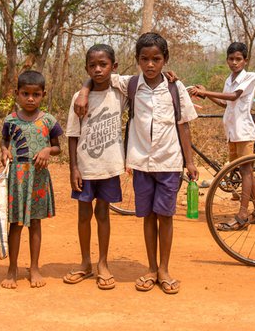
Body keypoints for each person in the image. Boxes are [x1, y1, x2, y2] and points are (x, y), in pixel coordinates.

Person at [74, 32, 198, 295]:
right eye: (145, 59)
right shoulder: (130, 84)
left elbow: (184, 125)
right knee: (148, 216)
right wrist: (84, 91)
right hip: (141, 163)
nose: (150, 64)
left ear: (165, 60)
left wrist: (190, 161)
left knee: (165, 216)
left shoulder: (176, 88)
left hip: (169, 162)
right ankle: (151, 268)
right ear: (137, 60)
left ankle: (164, 269)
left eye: (156, 59)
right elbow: (98, 74)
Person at [63, 44, 127, 291]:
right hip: (86, 166)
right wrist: (73, 168)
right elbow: (72, 134)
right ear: (86, 68)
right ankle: (84, 262)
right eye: (92, 66)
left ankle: (103, 263)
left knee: (103, 214)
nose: (98, 69)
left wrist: (85, 87)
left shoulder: (120, 93)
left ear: (114, 66)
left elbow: (144, 78)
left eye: (104, 64)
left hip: (110, 165)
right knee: (83, 214)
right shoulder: (77, 100)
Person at [0, 70, 63, 289]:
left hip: (38, 178)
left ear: (43, 95)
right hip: (16, 179)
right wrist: (4, 151)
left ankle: (34, 267)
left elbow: (58, 147)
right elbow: (4, 142)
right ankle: (12, 268)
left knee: (35, 223)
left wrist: (47, 150)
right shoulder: (10, 120)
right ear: (17, 93)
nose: (30, 98)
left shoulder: (48, 120)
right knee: (15, 224)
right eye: (25, 93)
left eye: (35, 94)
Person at [189, 42, 255, 230]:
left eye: (238, 59)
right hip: (231, 131)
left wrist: (205, 91)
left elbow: (234, 97)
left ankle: (243, 214)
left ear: (245, 60)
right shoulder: (229, 79)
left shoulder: (250, 77)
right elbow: (225, 103)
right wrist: (207, 95)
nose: (234, 63)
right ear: (227, 60)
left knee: (245, 171)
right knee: (247, 171)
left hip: (243, 130)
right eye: (231, 59)